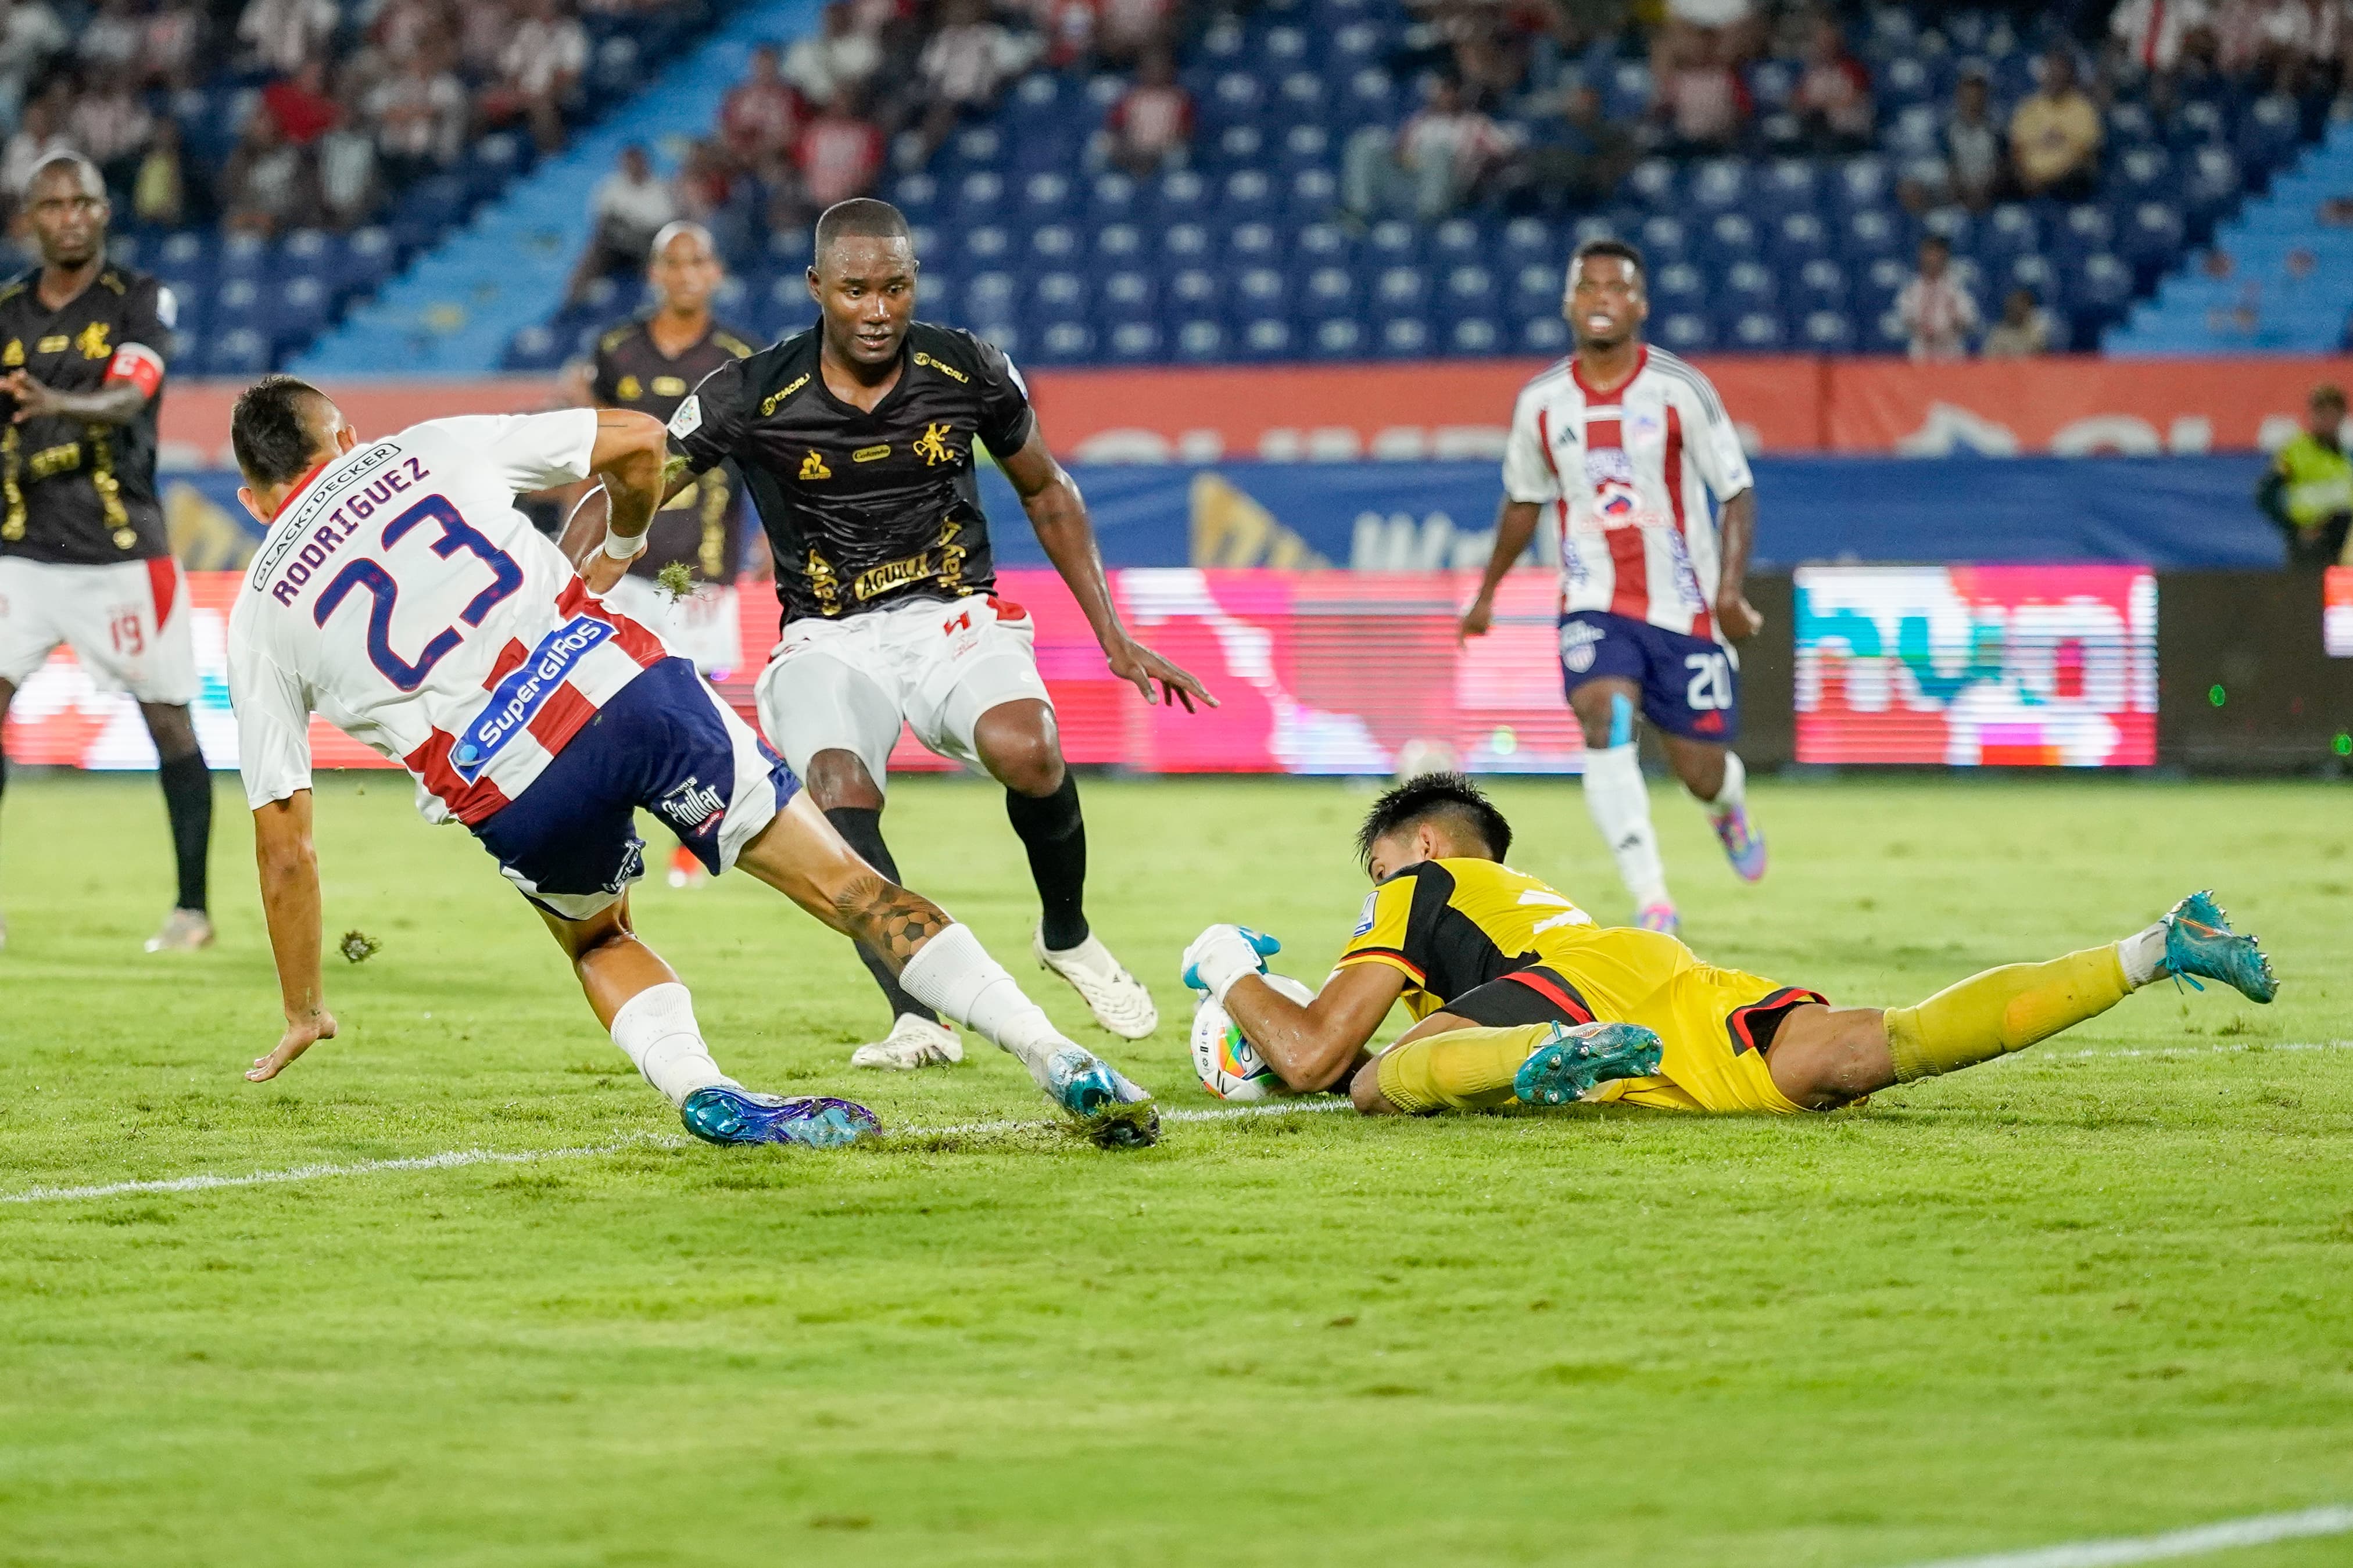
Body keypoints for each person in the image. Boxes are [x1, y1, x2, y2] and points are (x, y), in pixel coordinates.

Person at [221, 377, 1161, 1148]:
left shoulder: (259, 609)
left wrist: (305, 1004)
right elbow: (635, 440)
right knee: (851, 889)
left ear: (255, 500)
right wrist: (625, 539)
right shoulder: (422, 447)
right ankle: (1054, 1053)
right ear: (343, 433)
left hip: (504, 779)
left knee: (598, 939)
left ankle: (700, 1086)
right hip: (620, 688)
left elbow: (284, 846)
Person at [659, 198, 1213, 1070]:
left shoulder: (969, 369)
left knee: (1029, 746)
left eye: (895, 287)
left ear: (914, 284)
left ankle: (1065, 934)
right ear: (817, 288)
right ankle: (916, 1012)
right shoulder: (752, 389)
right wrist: (572, 588)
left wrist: (1112, 633)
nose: (877, 309)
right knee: (838, 785)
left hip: (952, 614)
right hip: (827, 633)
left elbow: (1048, 489)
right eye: (855, 291)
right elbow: (636, 486)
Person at [1180, 774, 2277, 1119]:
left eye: (1373, 872)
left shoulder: (1424, 883)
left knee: (1378, 1083)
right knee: (1871, 1049)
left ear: (1416, 844)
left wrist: (1225, 960)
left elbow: (1320, 1054)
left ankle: (1539, 1060)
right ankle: (2154, 947)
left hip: (1563, 996)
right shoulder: (1528, 897)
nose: (1373, 897)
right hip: (1669, 979)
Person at [1457, 239, 1764, 938]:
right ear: (1569, 303)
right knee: (1605, 717)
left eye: (1616, 287)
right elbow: (1522, 501)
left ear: (1640, 304)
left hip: (1682, 608)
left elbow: (1736, 493)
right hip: (1592, 601)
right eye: (1587, 286)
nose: (1601, 298)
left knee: (1701, 771)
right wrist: (1486, 595)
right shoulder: (1541, 403)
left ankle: (1727, 807)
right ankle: (1653, 900)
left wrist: (1727, 592)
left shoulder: (1679, 389)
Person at [0, 154, 208, 956]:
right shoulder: (8, 311)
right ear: (31, 216)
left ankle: (191, 908)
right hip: (19, 551)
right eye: (53, 203)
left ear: (103, 212)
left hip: (122, 553)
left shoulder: (138, 298)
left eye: (84, 200)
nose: (71, 215)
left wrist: (51, 401)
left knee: (169, 724)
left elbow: (132, 395)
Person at [558, 220, 762, 887]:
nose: (683, 273)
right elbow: (588, 460)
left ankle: (697, 840)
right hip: (621, 556)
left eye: (696, 261)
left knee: (701, 705)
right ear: (654, 274)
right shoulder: (615, 349)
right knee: (603, 700)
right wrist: (574, 548)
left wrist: (765, 536)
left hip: (699, 562)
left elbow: (766, 456)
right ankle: (611, 837)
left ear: (714, 272)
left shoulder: (739, 354)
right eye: (671, 262)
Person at [2256, 382, 2352, 568]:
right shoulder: (2295, 451)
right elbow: (2266, 494)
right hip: (2311, 543)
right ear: (2312, 416)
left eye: (2333, 414)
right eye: (2322, 414)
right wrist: (2294, 529)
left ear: (2342, 417)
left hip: (2345, 542)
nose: (2328, 421)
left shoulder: (2347, 456)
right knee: (2308, 594)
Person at [2008, 49, 2102, 201]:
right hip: (2029, 184)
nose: (2054, 78)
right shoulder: (2028, 107)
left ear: (2070, 77)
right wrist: (2026, 177)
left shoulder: (2084, 109)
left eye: (2060, 74)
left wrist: (2047, 180)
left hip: (2066, 184)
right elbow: (2016, 150)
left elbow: (2086, 156)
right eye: (2051, 73)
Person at [1897, 234, 1979, 361]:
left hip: (1951, 353)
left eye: (1937, 253)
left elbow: (1970, 320)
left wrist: (1952, 326)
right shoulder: (1911, 288)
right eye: (1929, 252)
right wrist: (1923, 330)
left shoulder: (1957, 287)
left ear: (1945, 256)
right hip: (1922, 354)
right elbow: (1905, 317)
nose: (1933, 258)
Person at [1980, 286, 2052, 357]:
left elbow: (2044, 359)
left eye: (2022, 306)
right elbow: (1989, 361)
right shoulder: (1999, 335)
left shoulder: (2036, 331)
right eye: (2014, 307)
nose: (2018, 310)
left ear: (2029, 309)